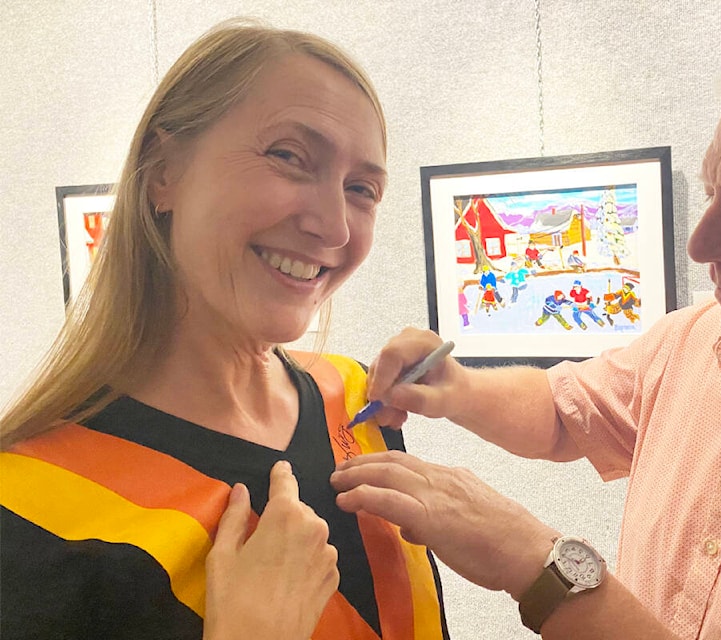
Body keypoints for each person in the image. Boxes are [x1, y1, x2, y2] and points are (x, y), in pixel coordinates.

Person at [330, 10, 721, 639]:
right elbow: (563, 414)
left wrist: (538, 567)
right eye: (714, 191)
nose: (702, 242)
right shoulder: (702, 339)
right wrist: (458, 389)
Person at [0, 20, 448, 640]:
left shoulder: (354, 403)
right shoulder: (29, 505)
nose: (335, 228)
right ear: (163, 174)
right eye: (289, 156)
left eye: (361, 189)